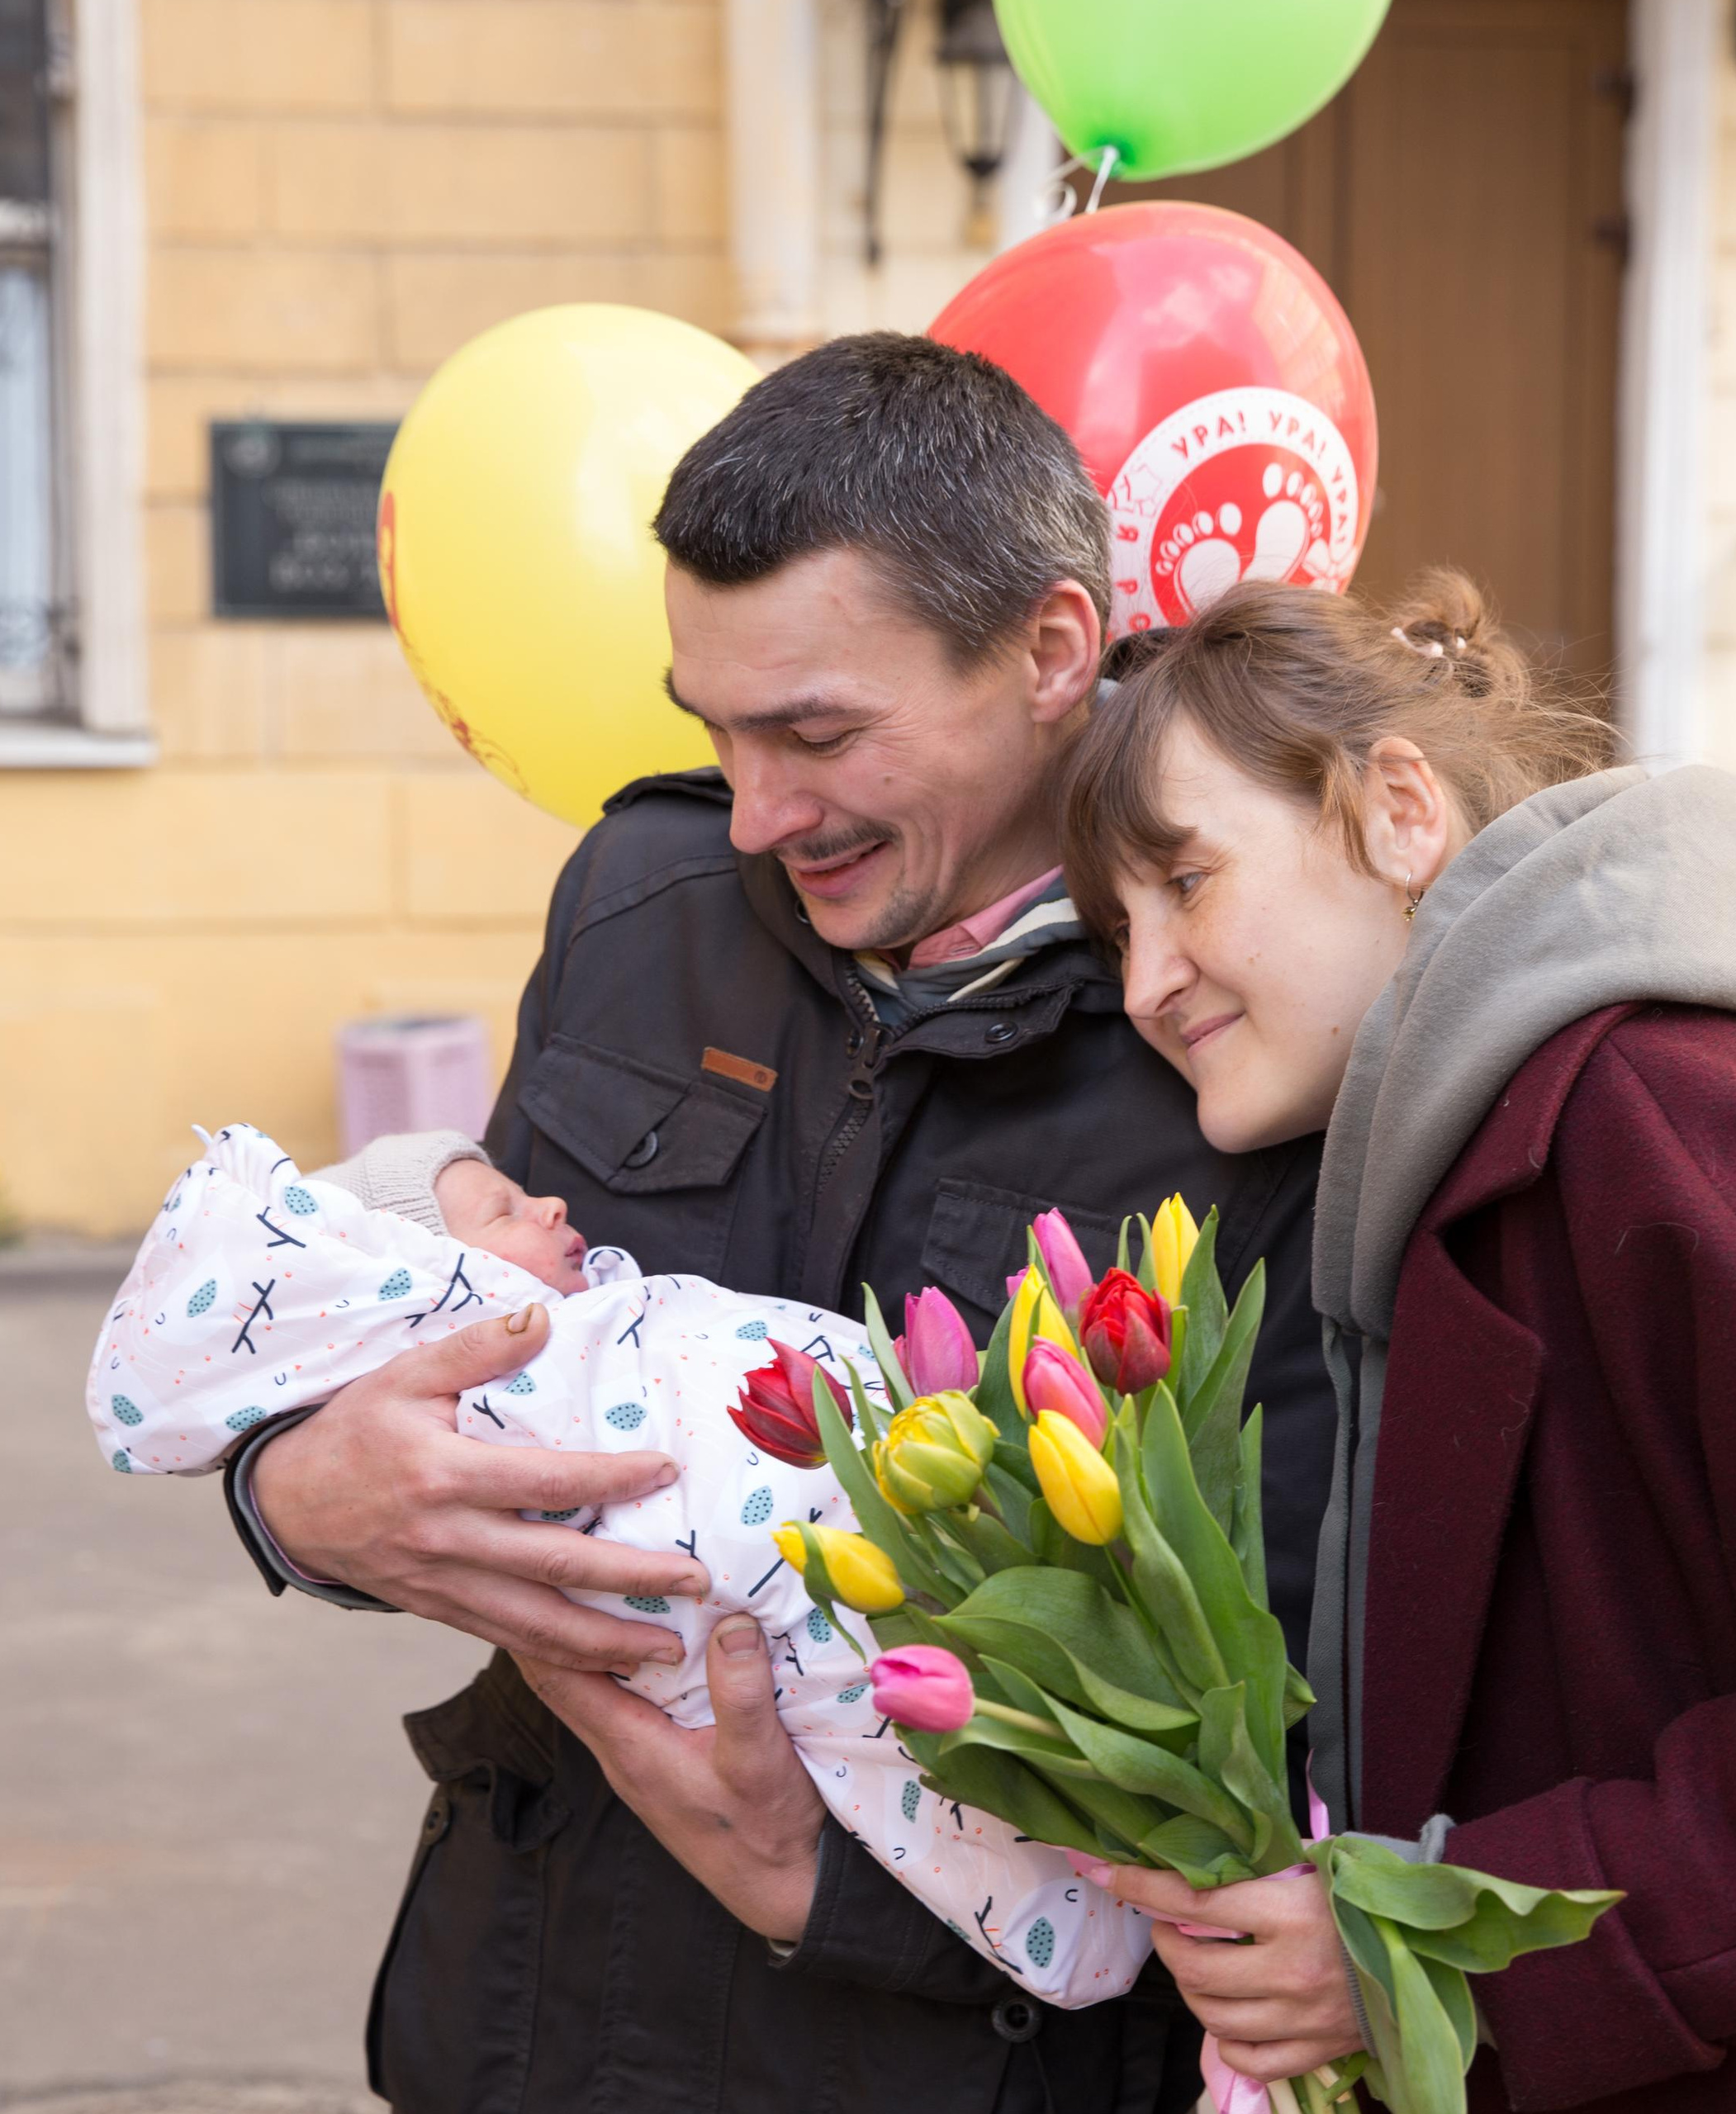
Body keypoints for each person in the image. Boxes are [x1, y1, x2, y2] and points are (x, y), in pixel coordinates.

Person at [216, 334, 1338, 2114]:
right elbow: (463, 1349)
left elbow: (1269, 1729)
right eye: (713, 729)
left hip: (928, 2049)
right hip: (521, 2015)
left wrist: (820, 1894)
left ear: (1053, 648)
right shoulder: (637, 891)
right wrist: (292, 1490)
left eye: (816, 732)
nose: (755, 810)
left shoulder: (1240, 1033)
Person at [1059, 571, 1736, 2111]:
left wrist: (1435, 1947)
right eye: (1116, 929)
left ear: (1398, 811)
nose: (1143, 983)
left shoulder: (1671, 1110)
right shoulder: (1479, 1148)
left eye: (1184, 883)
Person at [90, 1121, 1152, 2007]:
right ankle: (1083, 1923)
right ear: (419, 1286)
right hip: (757, 1677)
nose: (548, 1208)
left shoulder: (601, 1314)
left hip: (930, 1551)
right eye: (502, 1209)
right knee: (946, 1771)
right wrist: (285, 1490)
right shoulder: (502, 1390)